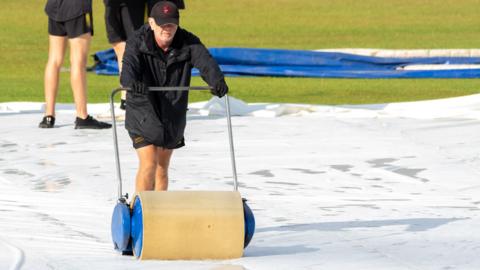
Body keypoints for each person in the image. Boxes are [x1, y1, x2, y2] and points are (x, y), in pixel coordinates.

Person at [120, 1, 228, 192]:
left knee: (162, 168)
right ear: (152, 23)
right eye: (162, 24)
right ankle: (141, 211)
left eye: (171, 24)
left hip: (172, 112)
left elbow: (206, 62)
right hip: (143, 110)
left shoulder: (188, 41)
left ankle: (160, 213)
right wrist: (131, 83)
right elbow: (128, 68)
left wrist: (216, 80)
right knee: (149, 163)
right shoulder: (137, 41)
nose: (166, 29)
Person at [41, 0, 112, 129]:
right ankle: (82, 116)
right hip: (76, 8)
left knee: (54, 59)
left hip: (54, 6)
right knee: (78, 61)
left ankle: (48, 116)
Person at [103, 0, 147, 110]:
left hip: (133, 4)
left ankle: (132, 96)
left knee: (134, 47)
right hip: (111, 4)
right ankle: (126, 97)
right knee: (118, 46)